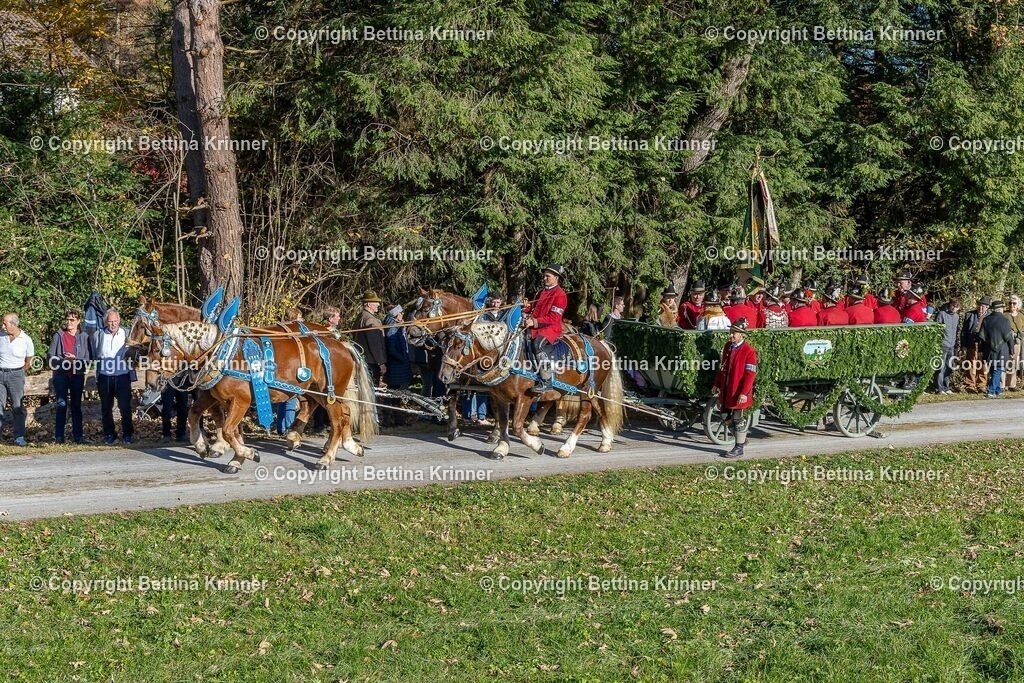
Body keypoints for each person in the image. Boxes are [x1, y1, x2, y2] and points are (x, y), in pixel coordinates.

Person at [713, 317, 757, 459]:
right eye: (731, 332)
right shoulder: (728, 347)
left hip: (739, 391)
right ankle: (741, 439)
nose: (731, 335)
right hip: (727, 389)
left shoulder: (749, 351)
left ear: (742, 335)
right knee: (725, 415)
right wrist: (717, 384)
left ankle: (738, 448)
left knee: (738, 418)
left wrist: (744, 393)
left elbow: (750, 374)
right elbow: (723, 368)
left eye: (734, 333)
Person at [47, 309, 91, 444]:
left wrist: (76, 359)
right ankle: (59, 437)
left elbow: (88, 358)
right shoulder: (58, 335)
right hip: (61, 375)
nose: (69, 322)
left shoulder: (84, 337)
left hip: (77, 375)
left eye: (72, 320)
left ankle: (78, 436)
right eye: (67, 319)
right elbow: (50, 356)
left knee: (76, 406)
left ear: (78, 321)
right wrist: (63, 362)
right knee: (61, 404)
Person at [92, 308, 134, 445]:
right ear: (106, 322)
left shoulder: (127, 333)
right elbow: (94, 354)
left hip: (123, 376)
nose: (113, 324)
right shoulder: (98, 334)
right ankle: (109, 434)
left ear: (119, 320)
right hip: (105, 377)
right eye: (110, 321)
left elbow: (136, 351)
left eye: (115, 321)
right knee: (106, 408)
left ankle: (128, 434)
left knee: (125, 407)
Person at [524, 264, 568, 395]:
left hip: (550, 328)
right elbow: (533, 308)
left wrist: (535, 321)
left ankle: (546, 381)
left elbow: (554, 318)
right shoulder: (541, 291)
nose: (544, 278)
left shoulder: (560, 294)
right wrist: (526, 307)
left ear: (556, 277)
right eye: (544, 276)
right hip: (534, 326)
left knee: (537, 344)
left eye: (547, 276)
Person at [0, 313, 35, 446]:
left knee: (17, 406)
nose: (3, 326)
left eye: (5, 323)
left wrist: (18, 371)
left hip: (16, 375)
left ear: (14, 325)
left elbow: (29, 360)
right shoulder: (1, 336)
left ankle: (19, 436)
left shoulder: (26, 340)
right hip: (0, 373)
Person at [384, 305, 413, 426]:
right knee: (393, 393)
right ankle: (389, 418)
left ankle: (398, 418)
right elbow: (391, 348)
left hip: (400, 363)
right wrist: (402, 358)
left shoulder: (398, 325)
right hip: (396, 364)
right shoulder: (392, 327)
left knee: (396, 393)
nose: (402, 314)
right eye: (401, 313)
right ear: (396, 314)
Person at [980, 300, 1015, 398]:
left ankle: (998, 390)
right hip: (1002, 349)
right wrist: (1012, 349)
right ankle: (991, 391)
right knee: (998, 369)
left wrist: (981, 350)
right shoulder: (1005, 320)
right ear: (1000, 309)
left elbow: (982, 337)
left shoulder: (986, 320)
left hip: (989, 349)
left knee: (993, 369)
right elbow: (1009, 337)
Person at [354, 291, 387, 385]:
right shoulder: (370, 320)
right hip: (372, 362)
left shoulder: (360, 316)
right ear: (368, 304)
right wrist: (381, 363)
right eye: (375, 302)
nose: (378, 305)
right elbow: (375, 345)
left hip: (363, 359)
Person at [934, 299, 961, 395]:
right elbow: (937, 330)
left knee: (949, 366)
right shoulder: (942, 314)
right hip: (943, 344)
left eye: (956, 306)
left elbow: (957, 331)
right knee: (941, 366)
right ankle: (939, 387)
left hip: (952, 345)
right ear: (949, 305)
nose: (954, 308)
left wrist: (957, 345)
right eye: (953, 305)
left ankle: (946, 386)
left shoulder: (957, 317)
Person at [1005, 296, 1024, 391]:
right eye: (1010, 303)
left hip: (1017, 342)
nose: (1012, 305)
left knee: (1014, 362)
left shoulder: (1021, 316)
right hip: (1005, 341)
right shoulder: (1004, 315)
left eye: (1014, 303)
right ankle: (1003, 384)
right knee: (1004, 362)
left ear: (1018, 305)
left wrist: (1019, 335)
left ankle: (1011, 384)